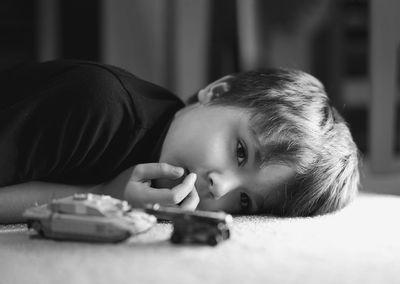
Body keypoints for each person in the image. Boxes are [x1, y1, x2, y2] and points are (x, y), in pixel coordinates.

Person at [0, 60, 359, 223]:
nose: (221, 188)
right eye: (240, 152)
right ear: (217, 92)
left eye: (246, 201)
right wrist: (103, 196)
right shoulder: (97, 107)